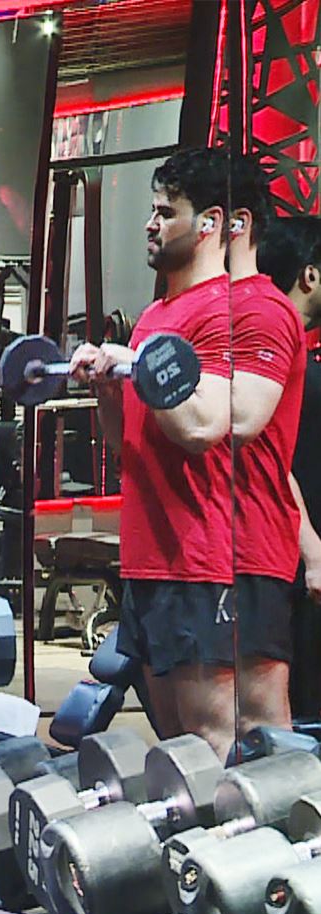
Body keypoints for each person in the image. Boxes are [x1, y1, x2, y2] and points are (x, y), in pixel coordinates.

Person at [70, 147, 235, 760]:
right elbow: (128, 443)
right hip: (146, 559)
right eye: (152, 210)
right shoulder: (154, 319)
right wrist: (107, 387)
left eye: (166, 212)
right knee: (172, 743)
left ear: (210, 222)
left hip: (199, 559)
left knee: (210, 741)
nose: (151, 223)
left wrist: (138, 364)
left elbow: (202, 428)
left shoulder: (223, 310)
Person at [225, 152, 306, 738]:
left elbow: (249, 428)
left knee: (259, 724)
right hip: (196, 551)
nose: (152, 225)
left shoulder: (265, 313)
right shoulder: (173, 313)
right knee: (200, 730)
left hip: (253, 546)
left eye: (167, 211)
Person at [256, 213, 321, 718]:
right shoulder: (282, 359)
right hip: (289, 565)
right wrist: (313, 551)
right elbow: (273, 464)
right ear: (310, 275)